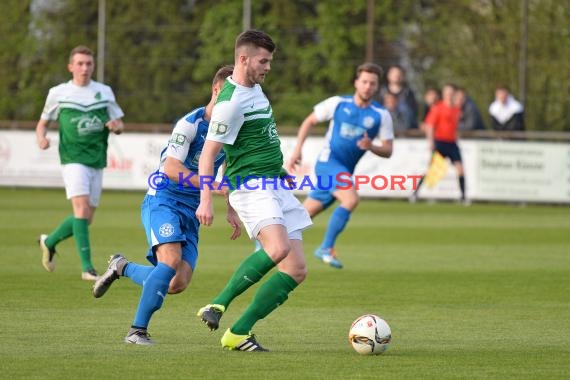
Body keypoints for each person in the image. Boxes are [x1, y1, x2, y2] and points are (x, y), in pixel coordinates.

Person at [91, 65, 238, 345]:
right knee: (169, 260)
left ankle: (122, 267)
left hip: (192, 210)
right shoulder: (190, 124)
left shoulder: (228, 130)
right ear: (216, 90)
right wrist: (210, 187)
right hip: (164, 199)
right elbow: (170, 167)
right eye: (229, 96)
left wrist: (230, 207)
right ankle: (137, 331)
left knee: (176, 282)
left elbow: (228, 169)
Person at [195, 30, 313, 352]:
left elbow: (259, 142)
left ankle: (238, 333)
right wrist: (207, 200)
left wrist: (281, 172)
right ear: (243, 59)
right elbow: (208, 155)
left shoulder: (257, 91)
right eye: (263, 61)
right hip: (251, 187)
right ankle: (217, 304)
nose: (268, 67)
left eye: (270, 61)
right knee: (278, 248)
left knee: (297, 269)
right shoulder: (230, 103)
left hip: (274, 184)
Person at [286, 63, 394, 269]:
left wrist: (371, 146)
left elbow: (388, 150)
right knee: (351, 199)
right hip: (328, 162)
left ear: (377, 87)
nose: (368, 86)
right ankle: (326, 248)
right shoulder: (338, 103)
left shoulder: (381, 115)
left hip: (344, 169)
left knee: (301, 216)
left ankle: (265, 240)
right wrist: (297, 150)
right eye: (364, 82)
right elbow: (309, 121)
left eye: (372, 83)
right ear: (356, 82)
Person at [36, 45, 124, 281]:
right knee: (81, 211)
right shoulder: (58, 92)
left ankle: (50, 241)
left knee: (86, 218)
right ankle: (88, 269)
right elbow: (42, 123)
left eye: (89, 64)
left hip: (96, 159)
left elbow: (119, 123)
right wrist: (41, 137)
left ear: (93, 66)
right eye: (80, 63)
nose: (85, 68)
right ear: (71, 66)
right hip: (72, 158)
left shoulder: (104, 92)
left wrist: (116, 127)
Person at [410, 84, 468, 204]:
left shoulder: (457, 110)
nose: (449, 95)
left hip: (452, 143)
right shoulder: (438, 108)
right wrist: (431, 141)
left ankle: (463, 197)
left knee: (460, 169)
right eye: (447, 93)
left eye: (451, 93)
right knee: (432, 169)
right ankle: (415, 193)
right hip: (440, 142)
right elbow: (430, 125)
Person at [379, 65, 418, 129]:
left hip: (405, 128)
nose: (396, 76)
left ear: (403, 76)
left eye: (399, 74)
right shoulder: (381, 92)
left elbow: (414, 111)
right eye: (394, 73)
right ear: (388, 75)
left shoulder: (408, 93)